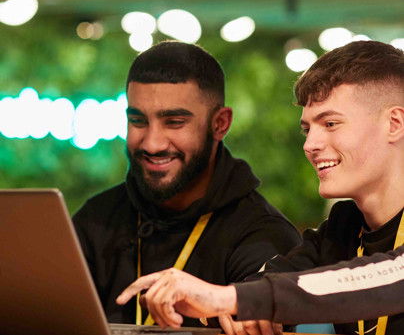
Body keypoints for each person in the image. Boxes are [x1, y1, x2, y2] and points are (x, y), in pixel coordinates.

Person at [116, 40, 404, 335]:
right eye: (307, 129)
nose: (310, 144)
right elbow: (255, 290)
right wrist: (217, 301)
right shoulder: (342, 229)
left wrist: (230, 298)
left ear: (394, 123)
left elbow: (387, 277)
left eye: (330, 124)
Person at [73, 41, 302, 328]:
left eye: (174, 122)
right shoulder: (95, 219)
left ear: (220, 124)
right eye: (138, 120)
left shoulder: (263, 235)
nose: (153, 143)